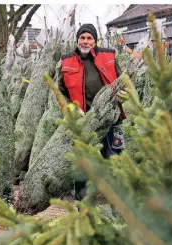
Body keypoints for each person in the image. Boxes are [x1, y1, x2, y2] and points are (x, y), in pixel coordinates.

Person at [58, 23, 128, 202]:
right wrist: (71, 109)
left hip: (110, 119)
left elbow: (123, 81)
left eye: (89, 38)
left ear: (95, 41)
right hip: (84, 123)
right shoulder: (67, 61)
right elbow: (60, 92)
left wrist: (124, 95)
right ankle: (84, 208)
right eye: (82, 37)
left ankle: (117, 209)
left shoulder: (109, 56)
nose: (85, 41)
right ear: (77, 40)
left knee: (114, 162)